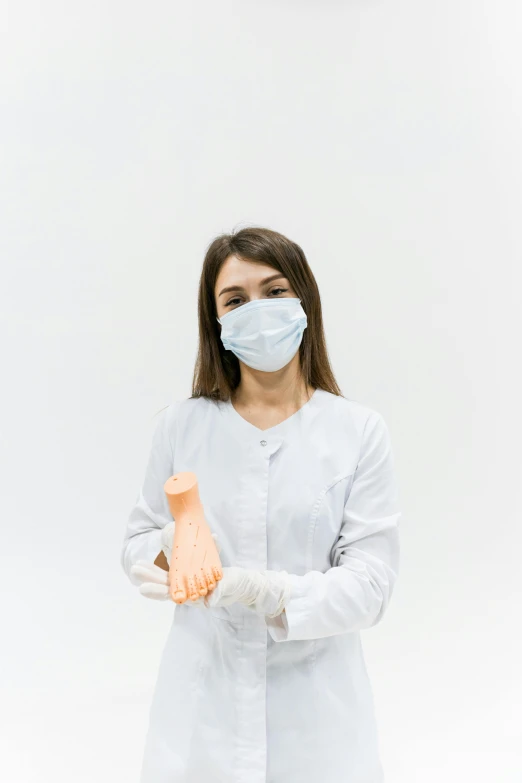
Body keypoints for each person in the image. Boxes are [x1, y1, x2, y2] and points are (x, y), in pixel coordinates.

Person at [121, 226, 401, 783]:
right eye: (235, 300)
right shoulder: (182, 426)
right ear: (217, 322)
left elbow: (371, 587)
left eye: (274, 291)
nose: (258, 310)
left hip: (318, 727)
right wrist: (167, 548)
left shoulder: (358, 432)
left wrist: (269, 593)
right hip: (203, 719)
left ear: (304, 301)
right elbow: (137, 546)